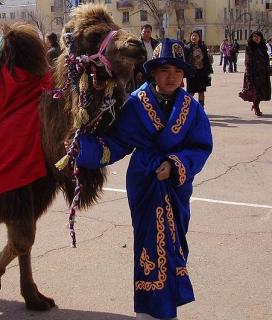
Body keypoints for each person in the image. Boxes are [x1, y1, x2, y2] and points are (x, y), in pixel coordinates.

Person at [76, 38, 213, 320]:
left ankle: (168, 304)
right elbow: (115, 143)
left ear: (184, 74)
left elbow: (201, 147)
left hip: (176, 187)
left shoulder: (192, 108)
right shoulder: (136, 104)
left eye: (177, 70)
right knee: (148, 242)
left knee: (175, 243)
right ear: (153, 72)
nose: (171, 76)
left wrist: (175, 165)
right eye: (164, 70)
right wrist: (81, 149)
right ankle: (150, 311)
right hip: (145, 181)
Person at [239, 31, 271, 116]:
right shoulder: (249, 48)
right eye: (254, 37)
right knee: (255, 92)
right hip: (253, 73)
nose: (257, 38)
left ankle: (255, 105)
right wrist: (248, 74)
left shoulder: (263, 47)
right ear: (252, 38)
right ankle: (256, 108)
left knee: (262, 92)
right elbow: (247, 62)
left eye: (258, 36)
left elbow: (266, 59)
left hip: (263, 73)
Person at [184, 30, 212, 107]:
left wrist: (208, 70)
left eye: (196, 36)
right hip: (191, 73)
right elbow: (185, 60)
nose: (194, 37)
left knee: (201, 91)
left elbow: (206, 59)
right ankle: (187, 109)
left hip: (201, 72)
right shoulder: (187, 47)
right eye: (193, 35)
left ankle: (201, 108)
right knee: (190, 92)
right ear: (190, 37)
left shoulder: (203, 47)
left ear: (199, 37)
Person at [133, 24, 159, 89]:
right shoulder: (136, 44)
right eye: (144, 32)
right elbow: (134, 59)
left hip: (154, 72)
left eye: (148, 32)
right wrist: (137, 72)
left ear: (151, 32)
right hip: (142, 73)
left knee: (154, 92)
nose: (146, 33)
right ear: (141, 32)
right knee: (143, 92)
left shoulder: (156, 43)